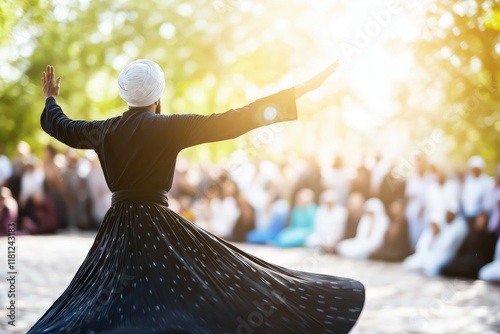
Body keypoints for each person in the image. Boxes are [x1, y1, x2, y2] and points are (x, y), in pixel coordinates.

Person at [28, 61, 364, 333]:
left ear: (126, 97)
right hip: (158, 225)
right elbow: (236, 120)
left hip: (117, 228)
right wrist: (297, 92)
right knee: (212, 281)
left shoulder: (105, 130)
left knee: (107, 298)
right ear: (157, 97)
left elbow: (61, 126)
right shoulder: (168, 125)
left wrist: (50, 98)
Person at [402, 205, 467, 277]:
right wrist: (434, 235)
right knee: (409, 264)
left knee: (431, 268)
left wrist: (438, 235)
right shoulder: (438, 226)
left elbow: (446, 246)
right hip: (431, 254)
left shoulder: (459, 225)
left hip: (445, 255)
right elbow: (422, 246)